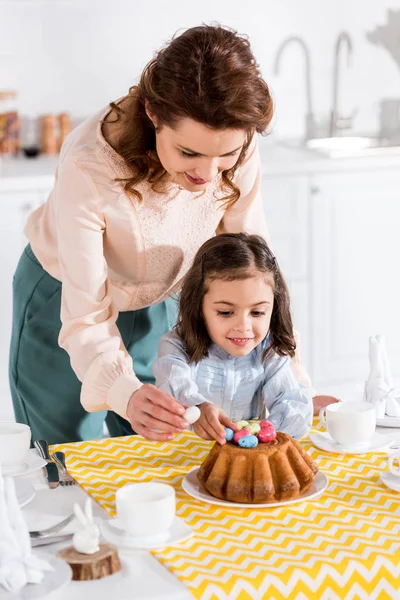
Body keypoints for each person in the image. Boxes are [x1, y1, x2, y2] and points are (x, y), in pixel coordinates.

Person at [9, 24, 284, 444]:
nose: (209, 175)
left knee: (159, 447)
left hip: (160, 301)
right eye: (189, 153)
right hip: (64, 299)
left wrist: (288, 374)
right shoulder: (90, 163)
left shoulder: (232, 134)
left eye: (226, 156)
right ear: (154, 114)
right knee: (66, 459)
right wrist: (122, 392)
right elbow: (85, 314)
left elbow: (254, 270)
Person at [153, 233, 313, 444]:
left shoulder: (269, 351)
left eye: (257, 313)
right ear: (199, 307)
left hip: (247, 462)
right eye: (226, 313)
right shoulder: (176, 346)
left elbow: (294, 407)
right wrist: (198, 408)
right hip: (182, 457)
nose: (243, 327)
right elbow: (174, 387)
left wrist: (263, 433)